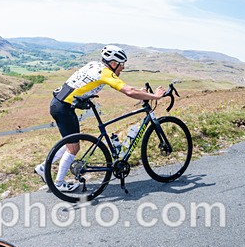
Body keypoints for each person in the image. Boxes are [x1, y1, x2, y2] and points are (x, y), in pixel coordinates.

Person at [35, 45, 166, 191]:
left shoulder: (93, 64)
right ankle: (59, 183)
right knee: (73, 148)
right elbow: (129, 91)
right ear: (114, 63)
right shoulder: (106, 73)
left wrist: (141, 93)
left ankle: (43, 168)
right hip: (64, 108)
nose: (122, 68)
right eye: (121, 65)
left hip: (59, 104)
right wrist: (155, 96)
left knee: (70, 143)